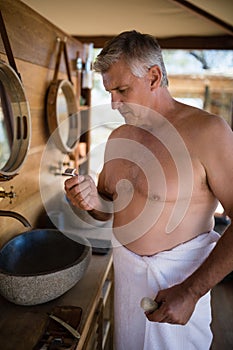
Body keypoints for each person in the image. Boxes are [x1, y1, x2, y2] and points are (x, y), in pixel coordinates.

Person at [64, 30, 233, 350]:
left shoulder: (209, 132)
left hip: (179, 289)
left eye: (122, 90)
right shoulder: (119, 139)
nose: (114, 104)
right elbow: (107, 206)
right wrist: (88, 199)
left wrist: (191, 291)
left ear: (154, 77)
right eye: (110, 92)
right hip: (127, 284)